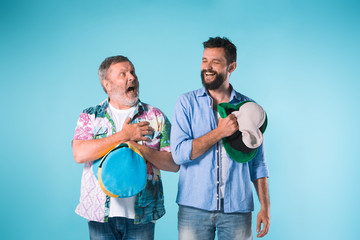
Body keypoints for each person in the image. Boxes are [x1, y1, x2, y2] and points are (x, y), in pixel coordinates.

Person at [170, 37, 270, 240]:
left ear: (231, 66)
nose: (207, 67)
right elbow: (179, 154)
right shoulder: (186, 103)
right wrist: (219, 132)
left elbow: (258, 164)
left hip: (238, 209)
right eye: (204, 60)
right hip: (193, 208)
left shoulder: (249, 108)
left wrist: (265, 208)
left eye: (215, 62)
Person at [72, 55, 179, 240]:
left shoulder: (155, 116)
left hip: (142, 214)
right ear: (107, 84)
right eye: (123, 74)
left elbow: (173, 164)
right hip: (99, 214)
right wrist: (124, 136)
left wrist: (140, 148)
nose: (132, 77)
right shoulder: (90, 115)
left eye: (133, 72)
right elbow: (79, 153)